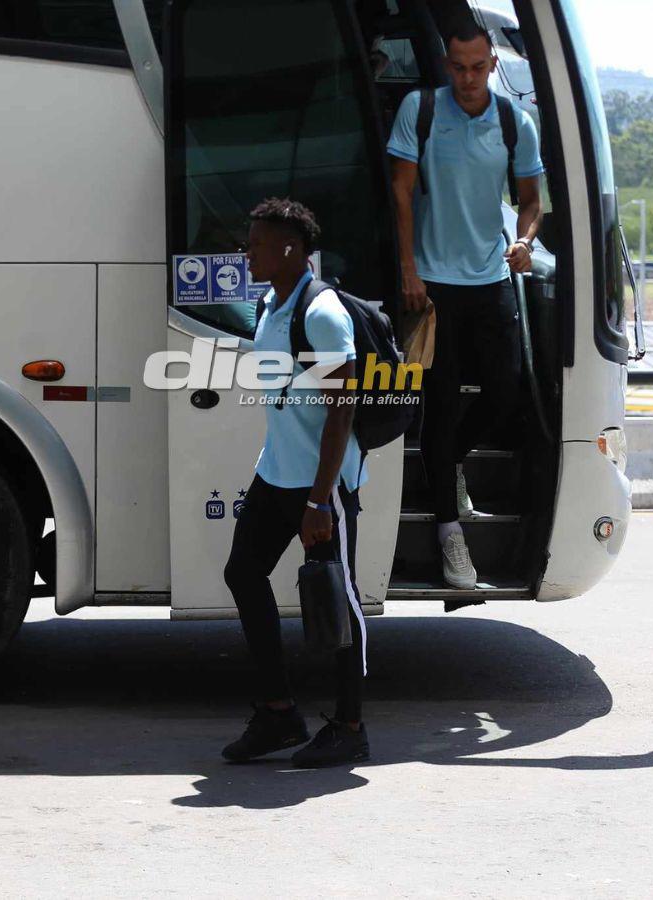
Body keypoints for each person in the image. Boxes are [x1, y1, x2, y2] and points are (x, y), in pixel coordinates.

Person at [386, 17, 545, 588]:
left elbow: (531, 201)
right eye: (458, 67)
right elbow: (401, 192)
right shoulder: (420, 111)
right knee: (443, 401)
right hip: (431, 282)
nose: (468, 78)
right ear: (446, 63)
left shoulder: (513, 121)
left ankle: (448, 462)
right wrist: (408, 269)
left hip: (490, 277)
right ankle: (450, 536)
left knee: (504, 392)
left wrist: (524, 240)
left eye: (478, 68)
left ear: (493, 65)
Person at [220, 198, 370, 768]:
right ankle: (279, 714)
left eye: (256, 243)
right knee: (243, 573)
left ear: (289, 248)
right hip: (276, 471)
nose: (248, 251)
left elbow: (342, 410)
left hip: (319, 484)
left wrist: (318, 499)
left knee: (338, 598)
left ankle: (350, 726)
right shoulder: (269, 303)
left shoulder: (323, 313)